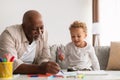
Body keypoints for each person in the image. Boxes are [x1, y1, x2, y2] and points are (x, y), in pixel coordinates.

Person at [0, 10, 60, 74]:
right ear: (23, 27)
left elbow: (44, 58)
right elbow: (10, 64)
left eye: (41, 27)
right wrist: (41, 68)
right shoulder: (9, 34)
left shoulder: (44, 34)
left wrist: (48, 66)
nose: (39, 32)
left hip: (32, 74)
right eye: (34, 29)